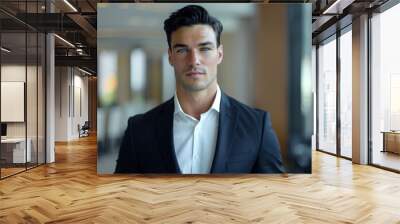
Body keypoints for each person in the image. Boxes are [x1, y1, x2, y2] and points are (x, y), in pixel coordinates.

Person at [115, 5, 284, 174]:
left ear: (219, 54)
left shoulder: (256, 126)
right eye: (182, 50)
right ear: (170, 56)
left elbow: (274, 196)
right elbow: (121, 197)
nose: (194, 60)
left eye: (205, 48)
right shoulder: (139, 130)